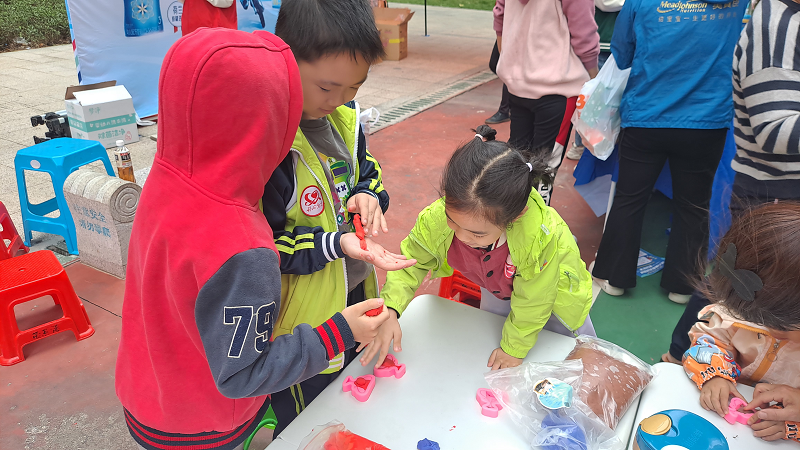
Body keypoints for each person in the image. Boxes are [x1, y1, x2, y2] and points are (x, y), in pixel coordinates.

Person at [115, 29, 391, 450]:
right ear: (271, 123)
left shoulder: (166, 177)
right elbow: (243, 373)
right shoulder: (243, 244)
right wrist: (340, 332)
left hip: (146, 394)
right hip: (206, 424)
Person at [264, 0, 416, 435]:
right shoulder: (275, 147)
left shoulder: (346, 123)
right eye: (327, 88)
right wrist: (335, 243)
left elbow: (368, 173)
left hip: (354, 289)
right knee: (307, 414)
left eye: (354, 87)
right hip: (303, 319)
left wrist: (369, 194)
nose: (340, 101)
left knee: (348, 393)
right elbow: (265, 247)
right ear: (286, 61)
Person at [359, 125, 595, 371]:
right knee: (492, 334)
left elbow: (535, 301)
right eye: (453, 221)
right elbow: (410, 263)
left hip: (556, 299)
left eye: (477, 234)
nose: (461, 237)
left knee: (573, 358)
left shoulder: (537, 237)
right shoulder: (437, 220)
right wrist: (391, 309)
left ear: (514, 218)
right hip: (499, 288)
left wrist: (513, 349)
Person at [662, 0, 800, 363]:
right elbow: (775, 131)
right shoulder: (775, 23)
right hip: (774, 192)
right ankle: (683, 356)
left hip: (689, 123)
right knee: (737, 288)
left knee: (743, 287)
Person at [591, 0, 749, 304]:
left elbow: (622, 53)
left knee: (630, 198)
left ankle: (614, 277)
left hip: (646, 113)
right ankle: (683, 284)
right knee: (694, 205)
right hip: (706, 119)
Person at [681, 203, 800, 443]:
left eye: (786, 326)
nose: (773, 332)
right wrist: (715, 374)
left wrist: (793, 426)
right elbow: (708, 339)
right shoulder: (749, 308)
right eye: (761, 321)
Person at [493, 0, 599, 183]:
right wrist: (594, 75)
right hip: (557, 86)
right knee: (544, 169)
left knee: (517, 162)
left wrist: (507, 59)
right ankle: (535, 202)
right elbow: (583, 33)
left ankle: (514, 201)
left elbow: (499, 15)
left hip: (517, 84)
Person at [566, 0, 622, 160]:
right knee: (592, 98)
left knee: (610, 101)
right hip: (600, 42)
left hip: (619, 42)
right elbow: (605, 3)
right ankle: (582, 144)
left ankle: (603, 145)